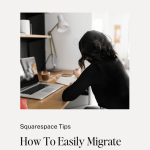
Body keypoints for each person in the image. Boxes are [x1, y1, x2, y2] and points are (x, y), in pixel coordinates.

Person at [62, 30, 129, 109]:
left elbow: (67, 96)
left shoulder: (96, 68)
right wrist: (80, 76)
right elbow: (103, 79)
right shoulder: (116, 60)